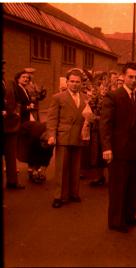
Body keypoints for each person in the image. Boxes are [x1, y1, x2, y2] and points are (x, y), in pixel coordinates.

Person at [100, 62, 136, 233]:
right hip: (118, 151)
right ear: (123, 76)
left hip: (135, 151)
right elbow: (105, 124)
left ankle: (129, 216)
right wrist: (107, 148)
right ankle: (116, 221)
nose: (134, 80)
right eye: (130, 77)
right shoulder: (113, 96)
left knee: (133, 186)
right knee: (118, 187)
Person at [47, 69, 88, 208]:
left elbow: (87, 116)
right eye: (72, 81)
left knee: (76, 167)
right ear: (67, 81)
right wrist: (52, 135)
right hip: (64, 136)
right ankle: (59, 196)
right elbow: (52, 118)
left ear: (81, 83)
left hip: (79, 136)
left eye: (78, 82)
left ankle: (73, 193)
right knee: (61, 169)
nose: (75, 84)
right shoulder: (58, 97)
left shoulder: (85, 97)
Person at [2, 62, 24, 189]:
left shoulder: (9, 83)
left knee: (11, 155)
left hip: (10, 125)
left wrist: (17, 112)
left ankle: (12, 182)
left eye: (3, 66)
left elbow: (18, 99)